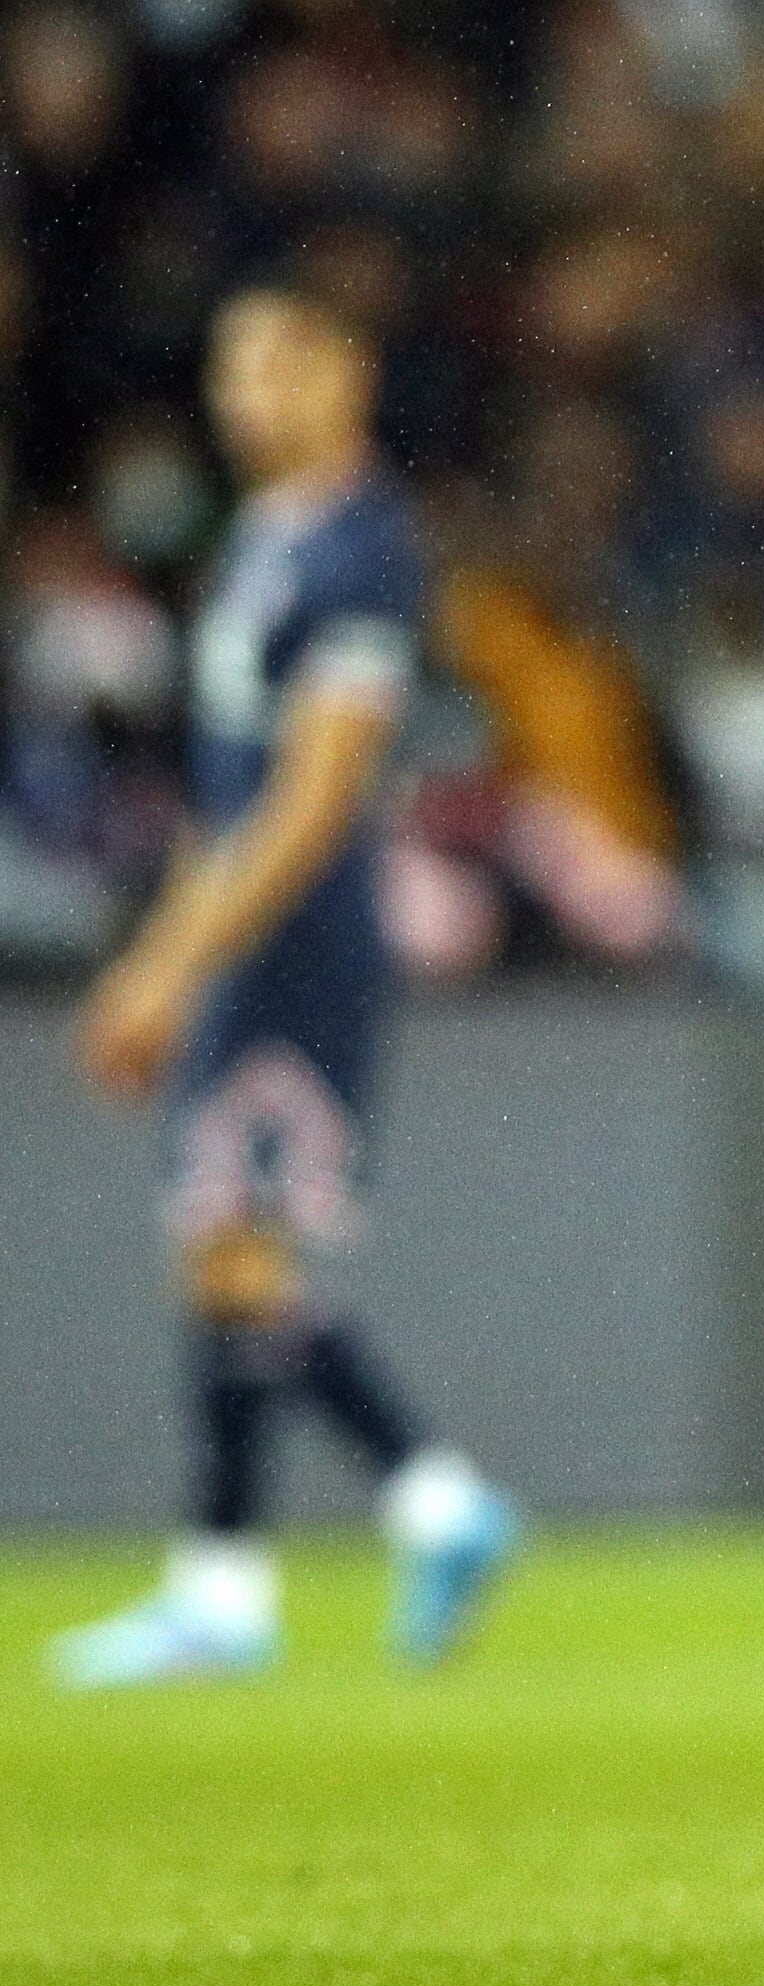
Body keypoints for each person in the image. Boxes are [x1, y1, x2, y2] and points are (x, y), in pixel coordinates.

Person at [49, 289, 518, 1689]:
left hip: (300, 948)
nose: (247, 393)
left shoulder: (365, 553)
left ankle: (429, 1499)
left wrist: (170, 961)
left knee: (236, 1247)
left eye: (277, 361)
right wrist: (180, 942)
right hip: (241, 939)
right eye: (228, 364)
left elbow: (315, 800)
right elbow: (226, 790)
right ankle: (229, 1582)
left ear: (348, 370)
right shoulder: (265, 539)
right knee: (218, 1240)